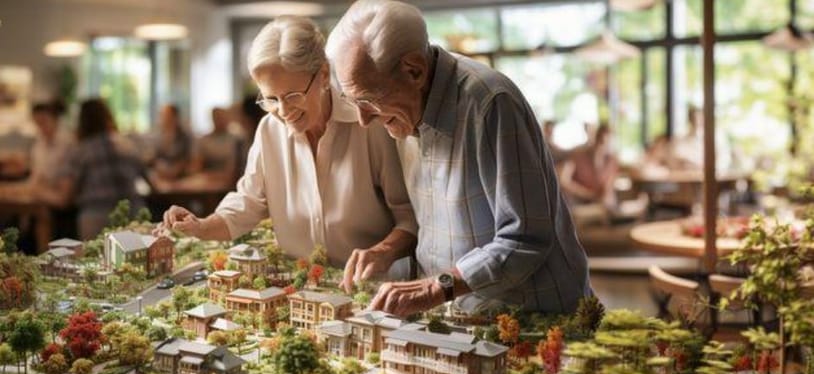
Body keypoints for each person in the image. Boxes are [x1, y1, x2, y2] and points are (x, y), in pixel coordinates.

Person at [327, 0, 591, 316]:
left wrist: (437, 287)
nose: (362, 119)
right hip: (461, 318)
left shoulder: (490, 103)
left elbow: (526, 239)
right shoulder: (404, 115)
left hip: (532, 319)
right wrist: (387, 252)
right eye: (352, 100)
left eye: (369, 99)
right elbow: (435, 234)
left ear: (414, 70)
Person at [159, 16, 417, 273]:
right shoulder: (269, 130)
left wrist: (381, 253)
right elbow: (247, 204)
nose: (283, 111)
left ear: (324, 75)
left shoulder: (370, 123)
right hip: (301, 284)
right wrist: (200, 227)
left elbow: (410, 218)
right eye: (271, 99)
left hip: (373, 287)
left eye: (293, 96)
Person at [36, 98, 147, 240]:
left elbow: (64, 198)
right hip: (135, 216)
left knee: (96, 260)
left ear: (82, 121)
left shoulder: (81, 151)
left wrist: (38, 192)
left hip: (97, 219)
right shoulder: (128, 145)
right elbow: (153, 183)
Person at [560, 122, 618, 208]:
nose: (602, 146)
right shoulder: (577, 154)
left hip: (601, 204)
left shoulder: (611, 161)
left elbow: (608, 188)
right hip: (578, 203)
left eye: (607, 143)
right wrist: (587, 194)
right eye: (600, 140)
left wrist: (606, 196)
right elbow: (564, 181)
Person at [190, 107, 243, 186]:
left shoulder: (236, 140)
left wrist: (209, 176)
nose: (219, 120)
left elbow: (232, 172)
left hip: (228, 184)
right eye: (216, 117)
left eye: (221, 117)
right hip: (206, 183)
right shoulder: (204, 140)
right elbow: (196, 167)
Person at [151, 104, 193, 181]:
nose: (162, 118)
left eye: (165, 115)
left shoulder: (185, 137)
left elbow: (188, 158)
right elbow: (154, 158)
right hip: (161, 176)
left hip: (182, 177)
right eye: (161, 115)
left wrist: (175, 171)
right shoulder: (157, 137)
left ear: (175, 117)